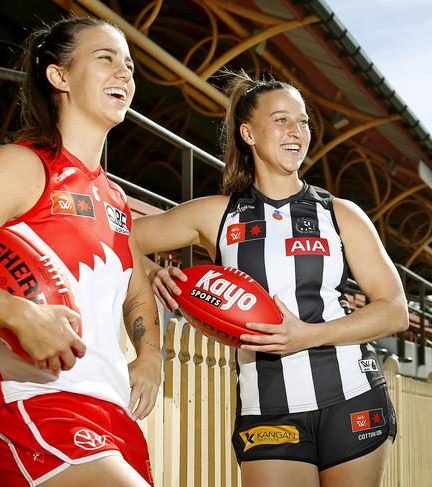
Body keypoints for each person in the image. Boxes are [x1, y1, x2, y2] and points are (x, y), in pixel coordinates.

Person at [0, 17, 161, 487]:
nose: (125, 74)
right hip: (41, 407)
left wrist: (150, 357)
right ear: (59, 76)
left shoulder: (115, 200)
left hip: (112, 415)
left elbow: (137, 292)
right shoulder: (23, 166)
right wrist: (17, 313)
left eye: (129, 66)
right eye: (105, 59)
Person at [134, 70, 409, 487]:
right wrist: (153, 271)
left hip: (351, 397)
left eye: (302, 121)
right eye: (281, 120)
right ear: (248, 133)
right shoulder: (216, 214)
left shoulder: (340, 213)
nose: (296, 131)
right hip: (268, 409)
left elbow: (395, 311)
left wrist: (307, 336)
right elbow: (121, 236)